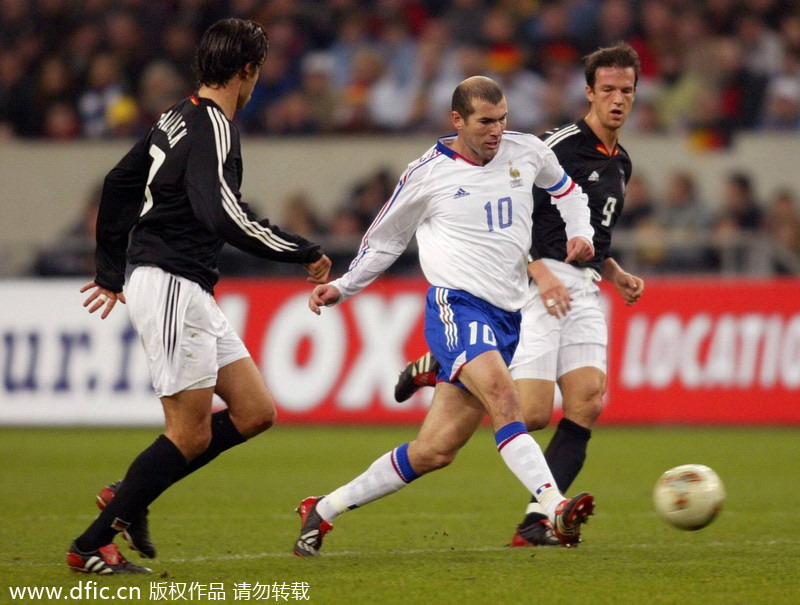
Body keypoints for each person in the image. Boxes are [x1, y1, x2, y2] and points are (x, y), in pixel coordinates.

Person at [68, 18, 331, 575]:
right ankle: (91, 543)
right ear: (248, 71)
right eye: (257, 71)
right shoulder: (213, 124)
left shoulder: (174, 117)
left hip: (181, 282)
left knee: (256, 411)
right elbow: (221, 213)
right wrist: (299, 249)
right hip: (171, 282)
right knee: (188, 432)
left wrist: (111, 270)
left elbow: (119, 183)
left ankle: (129, 493)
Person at [294, 75, 597, 558]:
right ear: (457, 120)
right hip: (456, 306)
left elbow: (569, 193)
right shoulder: (428, 174)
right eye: (485, 122)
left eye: (502, 119)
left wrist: (582, 232)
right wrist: (343, 286)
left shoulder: (528, 152)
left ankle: (323, 509)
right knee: (505, 397)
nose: (496, 131)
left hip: (507, 317)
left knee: (434, 450)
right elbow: (386, 239)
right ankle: (554, 507)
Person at [394, 42, 645, 547]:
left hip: (585, 283)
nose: (618, 99)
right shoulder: (555, 146)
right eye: (609, 89)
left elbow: (587, 228)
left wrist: (612, 269)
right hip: (536, 283)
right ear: (589, 92)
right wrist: (537, 268)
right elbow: (507, 214)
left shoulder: (622, 162)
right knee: (529, 413)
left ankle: (537, 520)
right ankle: (448, 370)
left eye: (627, 90)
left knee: (589, 402)